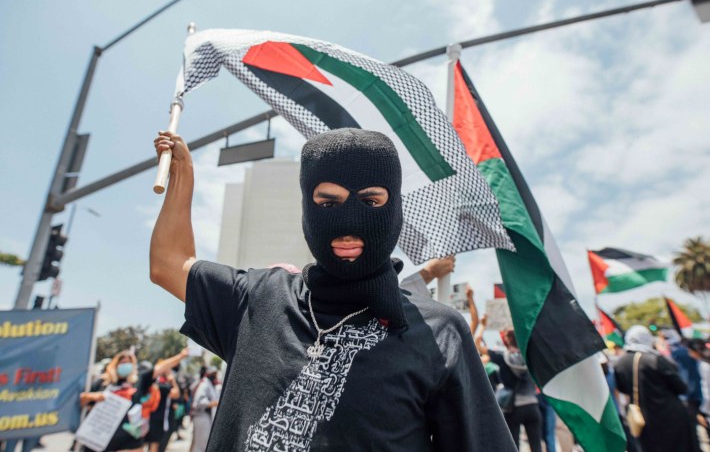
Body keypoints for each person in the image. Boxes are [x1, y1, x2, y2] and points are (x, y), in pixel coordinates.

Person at [150, 128, 516, 451]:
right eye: (328, 202)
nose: (348, 222)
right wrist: (183, 177)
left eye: (371, 201)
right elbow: (168, 264)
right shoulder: (256, 299)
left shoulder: (440, 332)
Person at [78, 349, 187, 452]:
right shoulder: (102, 382)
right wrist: (94, 397)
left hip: (129, 439)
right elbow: (84, 403)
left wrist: (181, 355)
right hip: (100, 437)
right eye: (122, 362)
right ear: (115, 364)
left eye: (128, 362)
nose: (125, 365)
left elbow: (160, 367)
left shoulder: (139, 380)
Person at [614, 325, 696, 452]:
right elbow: (681, 387)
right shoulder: (655, 359)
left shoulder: (620, 363)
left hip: (644, 419)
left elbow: (622, 389)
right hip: (671, 417)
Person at [474, 320, 543, 452]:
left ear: (507, 339)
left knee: (513, 446)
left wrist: (482, 324)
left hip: (513, 408)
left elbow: (477, 342)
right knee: (536, 447)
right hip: (532, 406)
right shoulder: (529, 355)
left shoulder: (501, 357)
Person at [145, 369, 181, 452]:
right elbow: (176, 394)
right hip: (159, 422)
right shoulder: (163, 386)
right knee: (156, 447)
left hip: (153, 419)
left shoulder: (154, 384)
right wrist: (173, 381)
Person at [190, 367, 220, 452]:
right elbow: (199, 401)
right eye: (213, 374)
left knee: (199, 445)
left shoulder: (210, 384)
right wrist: (213, 403)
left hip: (205, 417)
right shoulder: (205, 384)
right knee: (202, 446)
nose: (215, 376)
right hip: (201, 417)